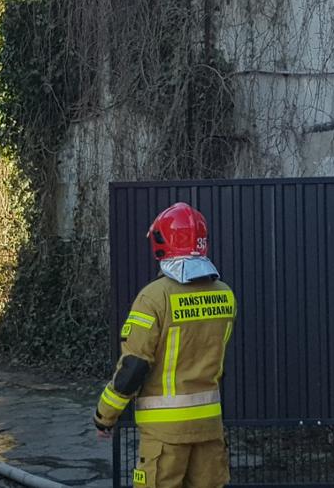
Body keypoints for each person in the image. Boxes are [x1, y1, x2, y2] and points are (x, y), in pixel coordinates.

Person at [94, 202, 236, 488]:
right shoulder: (225, 294)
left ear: (161, 243)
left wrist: (105, 415)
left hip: (165, 435)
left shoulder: (153, 298)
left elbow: (134, 367)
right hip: (210, 428)